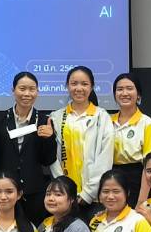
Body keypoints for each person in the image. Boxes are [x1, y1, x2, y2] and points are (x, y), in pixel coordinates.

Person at [0, 70, 58, 225]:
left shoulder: (44, 121)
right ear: (13, 90)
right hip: (4, 191)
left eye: (32, 89)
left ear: (37, 92)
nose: (27, 93)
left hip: (34, 192)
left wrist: (49, 139)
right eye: (22, 89)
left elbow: (48, 160)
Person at [49, 65, 114, 208]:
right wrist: (63, 188)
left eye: (84, 84)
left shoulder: (102, 116)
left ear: (92, 87)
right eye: (74, 83)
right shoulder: (56, 117)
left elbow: (105, 158)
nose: (79, 88)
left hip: (94, 197)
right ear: (67, 86)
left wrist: (88, 194)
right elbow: (53, 157)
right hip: (64, 197)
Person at [109, 72, 151, 204]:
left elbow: (149, 164)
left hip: (137, 179)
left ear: (138, 94)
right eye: (120, 89)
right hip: (111, 178)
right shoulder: (107, 121)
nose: (124, 93)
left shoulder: (146, 123)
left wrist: (142, 200)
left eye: (129, 88)